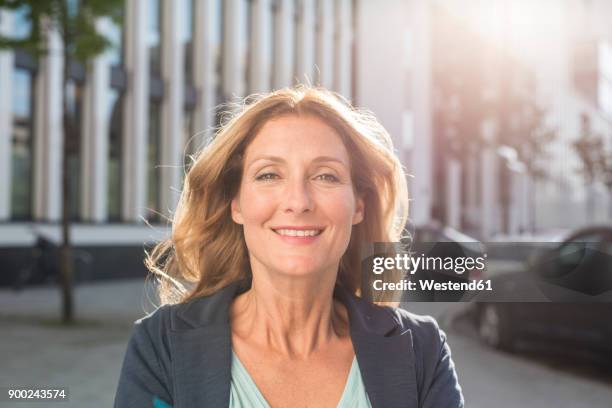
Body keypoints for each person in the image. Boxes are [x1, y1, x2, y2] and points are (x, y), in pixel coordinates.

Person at [114, 86, 464, 408]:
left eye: (326, 176)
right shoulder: (161, 346)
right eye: (269, 175)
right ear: (236, 203)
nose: (298, 202)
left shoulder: (422, 350)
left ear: (359, 205)